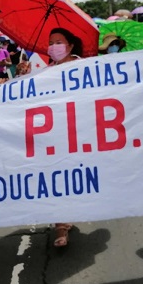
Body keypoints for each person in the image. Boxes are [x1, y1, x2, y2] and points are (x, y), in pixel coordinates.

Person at [47, 27, 84, 247]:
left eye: (59, 42)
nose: (54, 46)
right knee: (56, 176)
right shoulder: (45, 70)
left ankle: (69, 214)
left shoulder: (84, 67)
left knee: (74, 176)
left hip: (80, 133)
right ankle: (60, 225)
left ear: (70, 45)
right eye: (51, 43)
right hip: (54, 135)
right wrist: (24, 76)